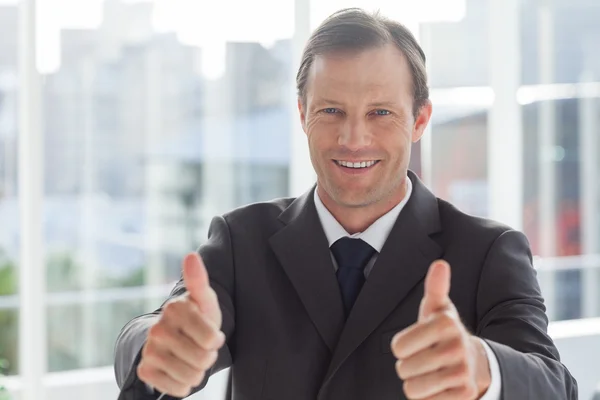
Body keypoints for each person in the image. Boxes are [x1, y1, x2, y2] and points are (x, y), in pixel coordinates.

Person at [114, 8, 577, 400]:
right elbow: (161, 326)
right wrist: (157, 343)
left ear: (419, 120)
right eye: (331, 110)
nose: (354, 139)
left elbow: (555, 384)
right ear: (302, 115)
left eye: (380, 113)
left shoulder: (488, 250)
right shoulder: (242, 240)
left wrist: (485, 368)